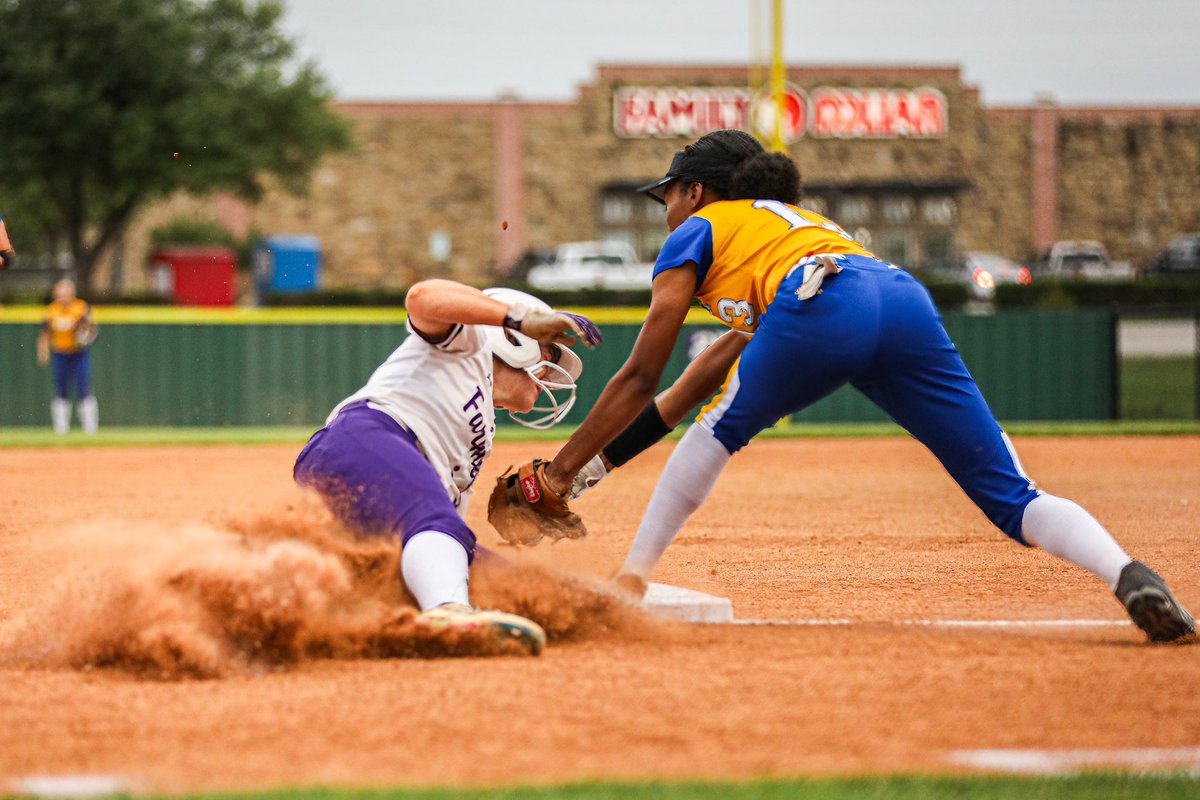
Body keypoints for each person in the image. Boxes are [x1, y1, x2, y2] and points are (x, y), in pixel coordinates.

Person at [522, 129, 1193, 644]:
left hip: (821, 305)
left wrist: (559, 469)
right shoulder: (787, 229)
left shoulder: (702, 228)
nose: (666, 207)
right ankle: (1127, 572)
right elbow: (698, 378)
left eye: (667, 192)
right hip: (898, 299)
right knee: (1012, 497)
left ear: (696, 191)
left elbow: (643, 377)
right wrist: (593, 471)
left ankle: (632, 580)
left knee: (719, 432)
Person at [293, 279, 602, 656]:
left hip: (376, 485)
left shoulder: (483, 430)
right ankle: (447, 612)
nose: (551, 377)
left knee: (510, 582)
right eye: (548, 357)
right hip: (361, 439)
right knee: (439, 527)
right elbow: (421, 298)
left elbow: (444, 533)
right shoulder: (466, 344)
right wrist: (519, 318)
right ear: (511, 341)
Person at [37, 278, 100, 435]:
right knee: (61, 390)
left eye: (64, 293)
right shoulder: (52, 311)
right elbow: (45, 334)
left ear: (72, 293)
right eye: (58, 293)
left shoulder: (81, 308)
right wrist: (43, 351)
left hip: (78, 353)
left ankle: (90, 429)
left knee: (83, 388)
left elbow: (91, 329)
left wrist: (85, 334)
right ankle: (61, 429)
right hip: (60, 353)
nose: (61, 296)